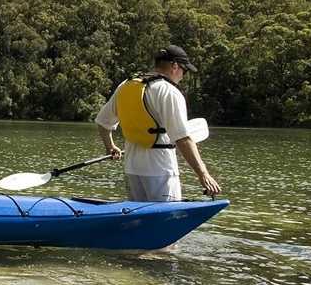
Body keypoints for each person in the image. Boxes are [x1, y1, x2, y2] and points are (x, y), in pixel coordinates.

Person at [95, 44, 222, 202]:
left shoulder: (126, 85)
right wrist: (203, 174)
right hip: (160, 170)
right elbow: (183, 139)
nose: (183, 76)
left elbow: (103, 122)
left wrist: (110, 146)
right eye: (185, 70)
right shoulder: (169, 92)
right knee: (167, 219)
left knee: (139, 220)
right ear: (174, 66)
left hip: (132, 169)